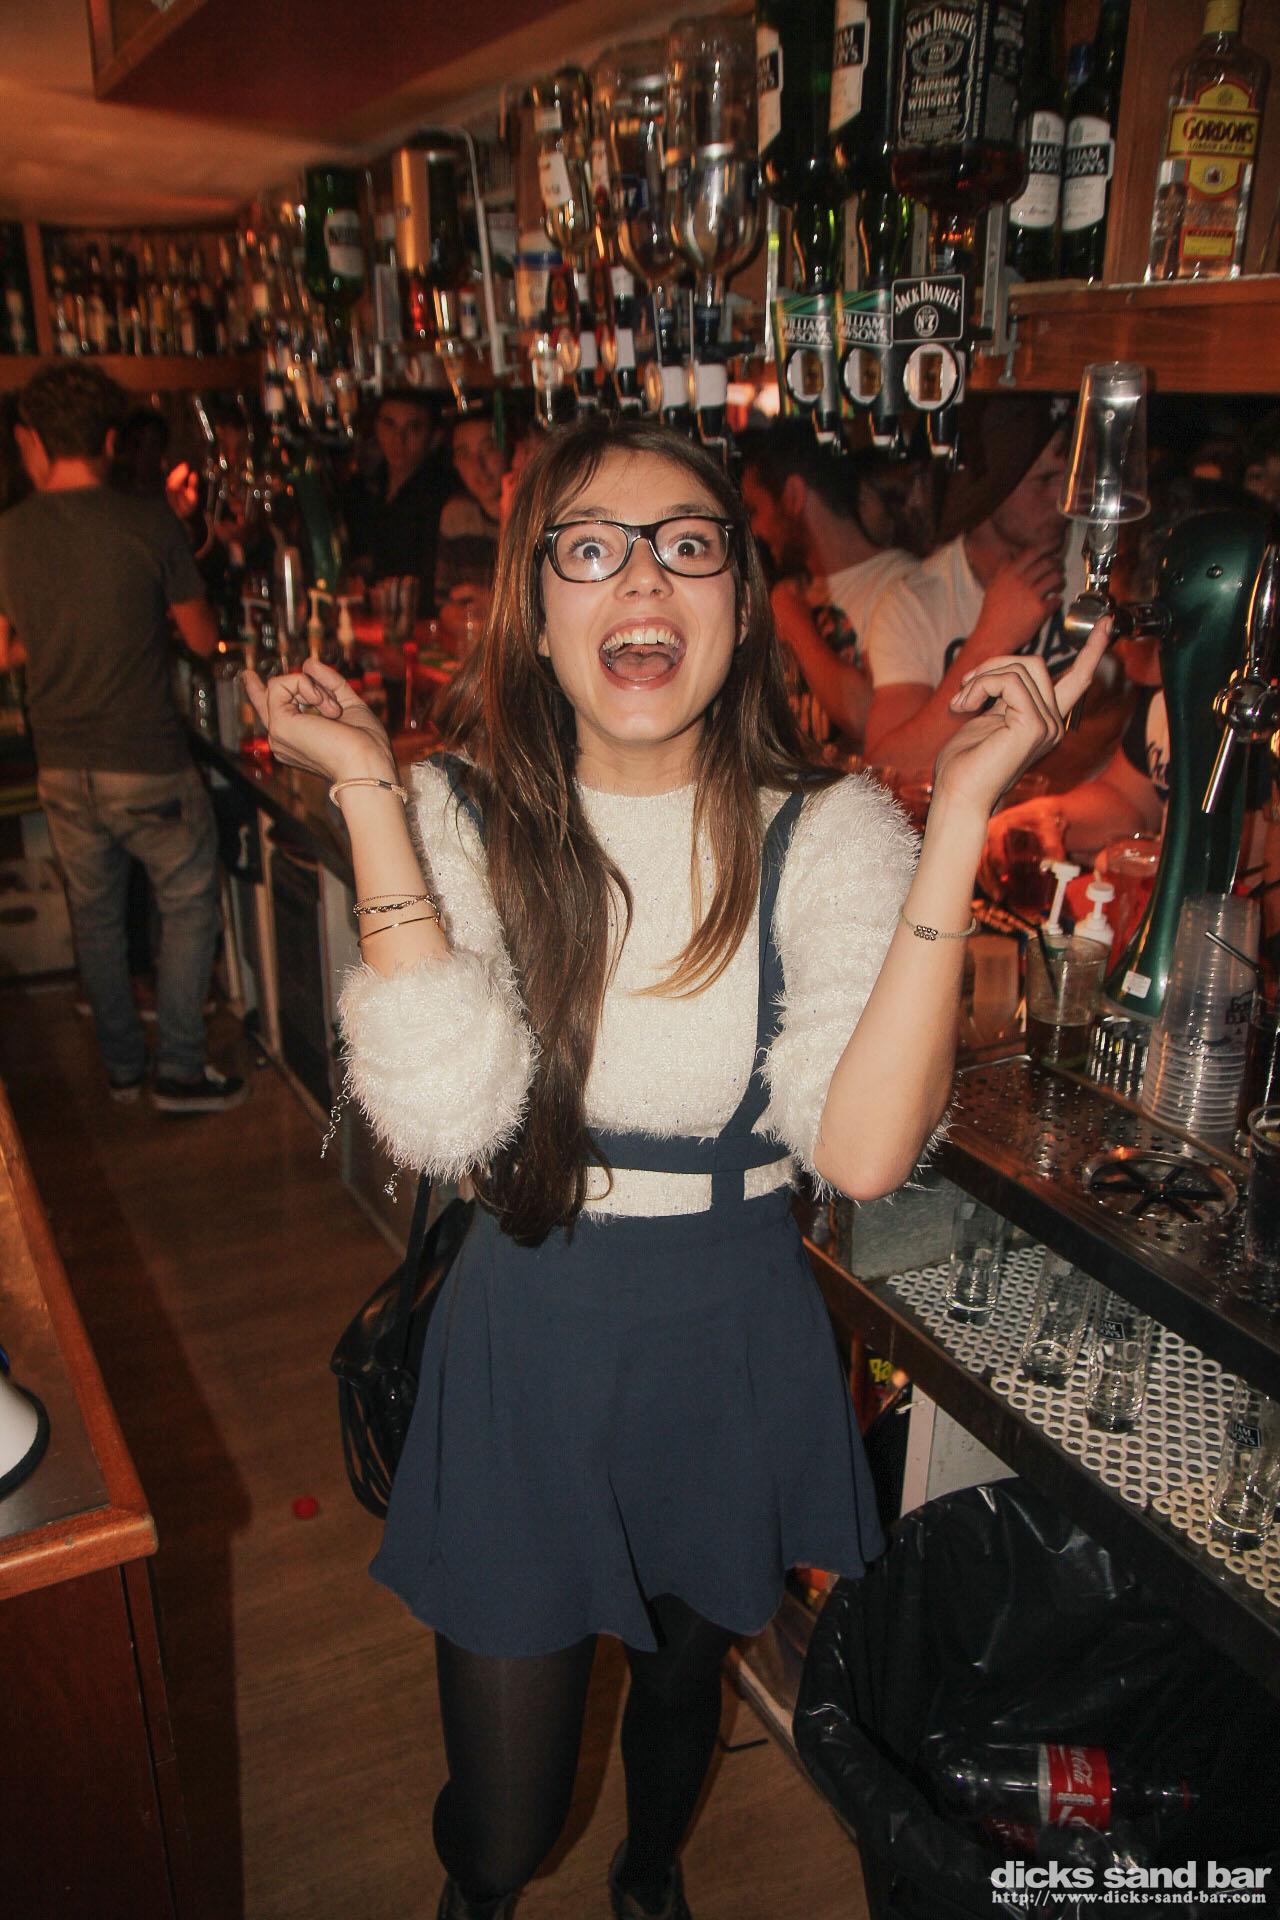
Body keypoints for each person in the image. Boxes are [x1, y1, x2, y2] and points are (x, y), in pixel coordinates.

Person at [244, 415, 1105, 1920]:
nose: (641, 576)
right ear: (536, 611)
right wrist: (374, 794)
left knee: (677, 1681)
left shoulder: (828, 832)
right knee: (502, 1826)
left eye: (685, 544)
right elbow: (443, 1117)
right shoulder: (456, 811)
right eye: (590, 548)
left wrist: (957, 817)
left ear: (739, 603)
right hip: (528, 1330)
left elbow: (860, 1148)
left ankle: (650, 1878)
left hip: (731, 1332)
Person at [0, 363, 245, 1112]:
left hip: (61, 763)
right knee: (188, 901)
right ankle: (180, 1069)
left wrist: (57, 639)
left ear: (32, 441)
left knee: (96, 917)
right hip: (145, 760)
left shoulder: (9, 532)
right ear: (110, 440)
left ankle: (121, 1069)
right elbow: (201, 640)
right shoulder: (148, 522)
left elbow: (5, 650)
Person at [863, 396, 1091, 780]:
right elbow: (890, 769)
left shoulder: (1102, 560)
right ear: (989, 490)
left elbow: (1125, 716)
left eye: (1068, 478)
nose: (1064, 500)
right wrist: (990, 641)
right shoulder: (914, 602)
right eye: (1044, 480)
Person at [738, 424, 914, 750]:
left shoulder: (903, 586)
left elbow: (867, 719)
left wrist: (796, 625)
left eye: (755, 511)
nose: (756, 530)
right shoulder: (794, 590)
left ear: (793, 496)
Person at [345, 385, 453, 607]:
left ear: (434, 437)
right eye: (389, 424)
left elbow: (429, 584)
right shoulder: (367, 487)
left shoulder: (439, 496)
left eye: (413, 428)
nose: (398, 439)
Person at [434, 408, 505, 648]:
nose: (478, 465)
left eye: (489, 449)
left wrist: (494, 605)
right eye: (465, 455)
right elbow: (445, 605)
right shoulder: (457, 515)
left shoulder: (539, 518)